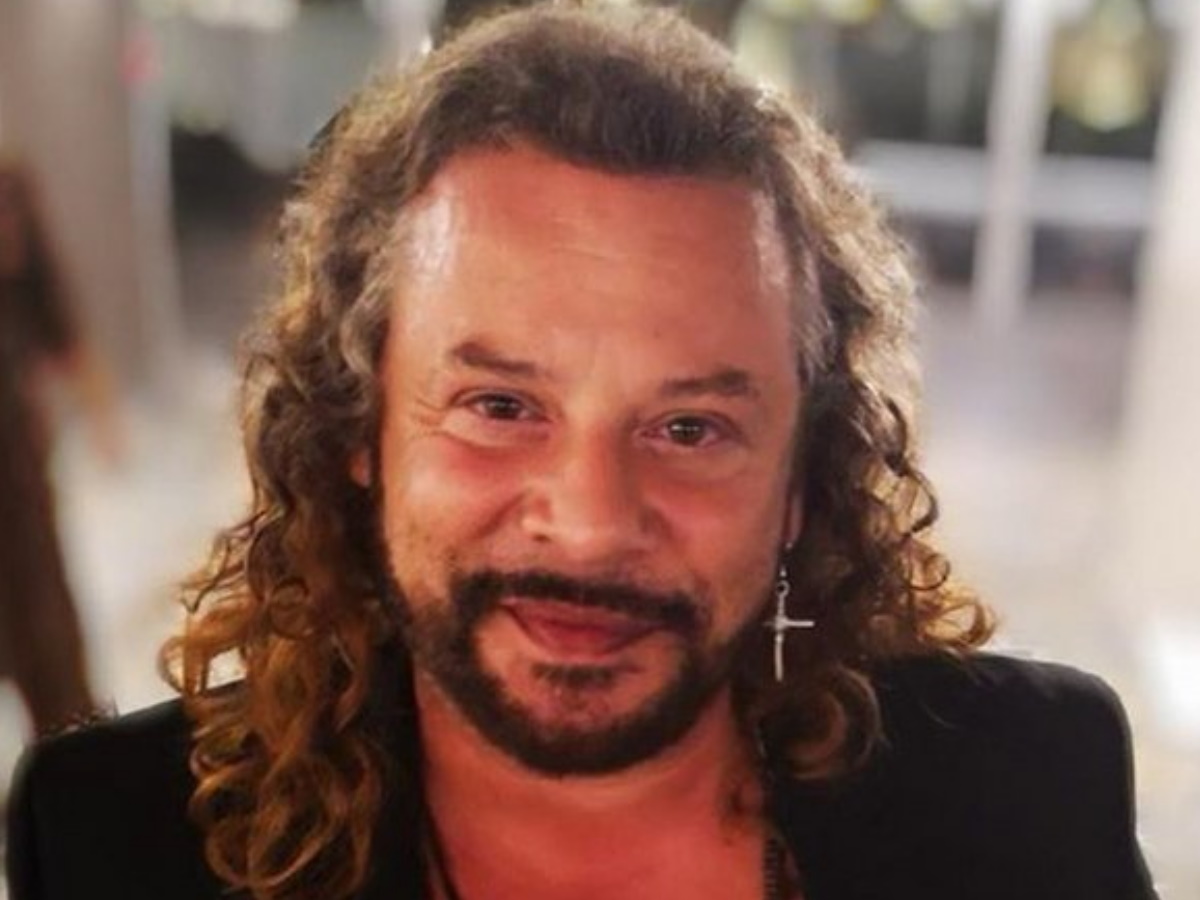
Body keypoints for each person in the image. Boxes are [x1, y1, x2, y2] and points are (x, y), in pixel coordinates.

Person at [6, 4, 1157, 899]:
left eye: (690, 428)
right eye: (502, 406)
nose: (593, 522)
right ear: (359, 427)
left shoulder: (1027, 793)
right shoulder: (119, 844)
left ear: (801, 480)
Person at [0, 161, 100, 737]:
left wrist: (97, 416)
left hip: (21, 485)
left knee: (47, 638)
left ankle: (72, 747)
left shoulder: (11, 185)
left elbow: (65, 337)